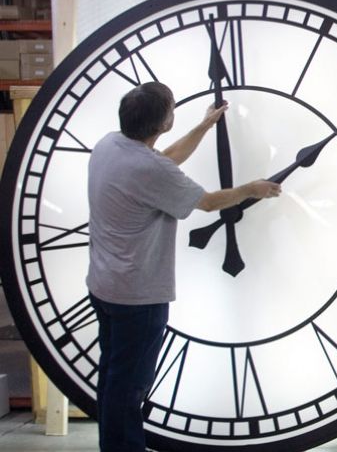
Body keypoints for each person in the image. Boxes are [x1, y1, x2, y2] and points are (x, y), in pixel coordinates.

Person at [86, 81, 280, 452]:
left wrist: (205, 126)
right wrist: (251, 189)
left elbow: (164, 160)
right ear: (163, 123)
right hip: (138, 298)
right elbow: (207, 203)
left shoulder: (109, 146)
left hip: (105, 284)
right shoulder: (148, 169)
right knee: (130, 388)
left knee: (113, 379)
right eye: (173, 110)